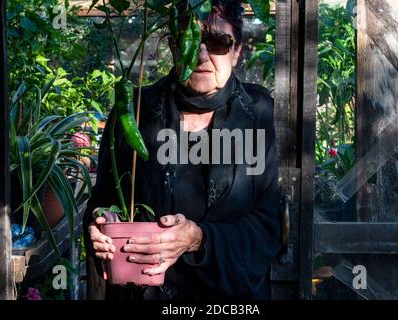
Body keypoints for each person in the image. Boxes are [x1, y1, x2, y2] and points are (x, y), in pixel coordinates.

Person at [83, 0, 281, 300]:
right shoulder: (135, 111)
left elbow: (267, 229)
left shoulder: (256, 112)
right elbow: (103, 202)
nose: (200, 54)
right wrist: (101, 226)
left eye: (217, 42)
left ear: (237, 51)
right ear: (174, 48)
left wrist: (199, 239)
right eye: (187, 40)